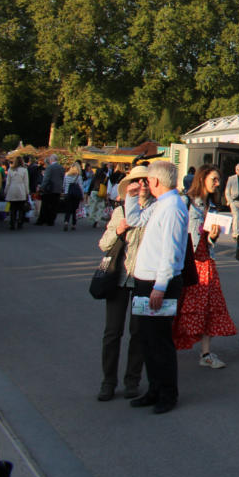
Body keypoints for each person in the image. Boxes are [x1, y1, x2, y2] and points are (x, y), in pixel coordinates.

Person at [124, 161, 189, 415]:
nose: (145, 185)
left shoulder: (172, 207)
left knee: (160, 341)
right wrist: (131, 198)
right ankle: (154, 388)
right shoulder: (162, 204)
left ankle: (167, 393)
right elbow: (135, 220)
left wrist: (160, 286)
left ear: (156, 182)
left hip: (158, 282)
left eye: (148, 181)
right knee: (147, 339)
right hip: (147, 280)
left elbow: (171, 252)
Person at [96, 166, 154, 401]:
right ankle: (108, 381)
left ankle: (133, 380)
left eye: (145, 180)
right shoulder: (120, 211)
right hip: (118, 278)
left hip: (143, 279)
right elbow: (104, 245)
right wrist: (119, 230)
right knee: (112, 332)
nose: (141, 185)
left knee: (138, 332)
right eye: (136, 181)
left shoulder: (155, 211)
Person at [175, 165, 237, 368]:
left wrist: (213, 236)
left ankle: (206, 353)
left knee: (209, 306)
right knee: (180, 304)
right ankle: (169, 345)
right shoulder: (186, 202)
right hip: (188, 260)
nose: (217, 184)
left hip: (206, 260)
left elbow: (210, 240)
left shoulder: (212, 206)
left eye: (218, 180)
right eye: (214, 179)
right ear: (202, 179)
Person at [37, 154, 65, 226]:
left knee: (45, 205)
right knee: (54, 206)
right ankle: (51, 220)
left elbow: (46, 179)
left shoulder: (50, 167)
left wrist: (42, 188)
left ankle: (42, 220)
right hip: (58, 189)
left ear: (51, 160)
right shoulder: (61, 167)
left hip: (49, 189)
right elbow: (62, 178)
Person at [5, 157, 30, 230]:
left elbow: (8, 182)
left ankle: (12, 223)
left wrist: (6, 191)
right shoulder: (24, 170)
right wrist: (27, 192)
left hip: (12, 190)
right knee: (21, 209)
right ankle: (20, 223)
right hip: (21, 190)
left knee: (13, 208)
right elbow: (26, 182)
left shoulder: (10, 169)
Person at [62, 163, 84, 231]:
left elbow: (64, 185)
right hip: (76, 195)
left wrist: (65, 192)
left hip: (68, 194)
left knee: (68, 210)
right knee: (74, 210)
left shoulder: (66, 175)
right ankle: (73, 224)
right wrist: (82, 195)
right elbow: (81, 186)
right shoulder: (78, 176)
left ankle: (66, 222)